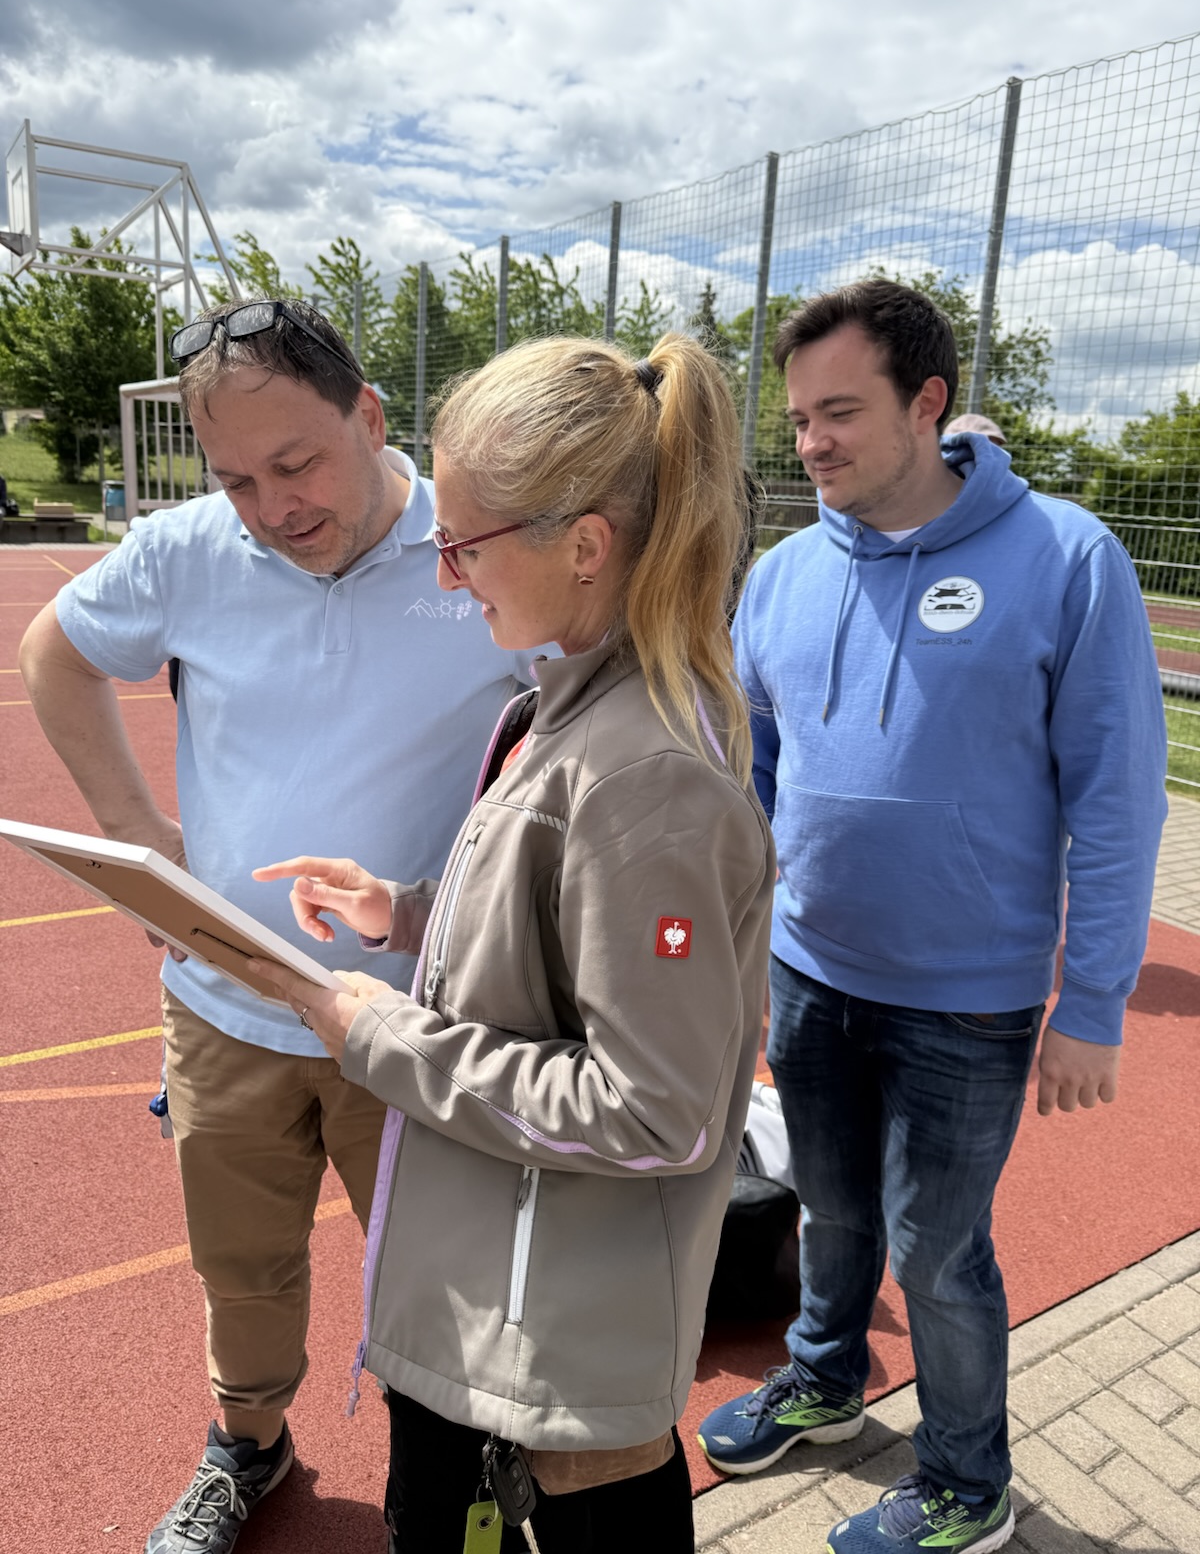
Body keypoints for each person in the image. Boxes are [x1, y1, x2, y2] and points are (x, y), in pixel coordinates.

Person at [18, 298, 542, 1554]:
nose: (271, 506)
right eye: (236, 478)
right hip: (225, 1005)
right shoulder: (187, 550)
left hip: (413, 1021)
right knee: (240, 1266)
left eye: (296, 463)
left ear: (370, 415)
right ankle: (248, 1445)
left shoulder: (472, 544)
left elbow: (589, 716)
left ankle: (463, 1486)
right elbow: (54, 652)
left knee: (444, 1287)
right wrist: (134, 827)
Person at [247, 331, 776, 1553]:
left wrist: (382, 1034)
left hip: (548, 1386)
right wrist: (405, 911)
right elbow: (558, 937)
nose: (444, 573)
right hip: (493, 1328)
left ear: (585, 544)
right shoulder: (566, 705)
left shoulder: (647, 773)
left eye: (464, 544)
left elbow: (657, 1111)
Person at [697, 279, 1167, 1554]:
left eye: (841, 412)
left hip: (970, 996)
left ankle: (967, 1481)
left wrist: (1094, 1004)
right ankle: (825, 1381)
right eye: (799, 418)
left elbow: (1118, 799)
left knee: (937, 1250)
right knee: (830, 1207)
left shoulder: (1067, 558)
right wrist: (740, 935)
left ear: (928, 403)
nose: (812, 442)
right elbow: (752, 771)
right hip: (811, 971)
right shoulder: (784, 573)